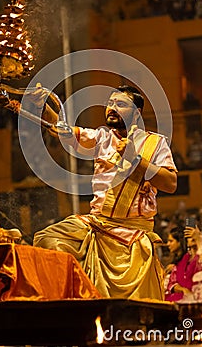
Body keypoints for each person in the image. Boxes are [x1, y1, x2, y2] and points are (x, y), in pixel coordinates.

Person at [31, 84, 177, 300]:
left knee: (132, 309)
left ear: (136, 113)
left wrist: (135, 159)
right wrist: (43, 106)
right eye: (110, 103)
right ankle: (73, 302)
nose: (111, 107)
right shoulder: (101, 137)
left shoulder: (155, 143)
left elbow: (171, 183)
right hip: (96, 226)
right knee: (46, 240)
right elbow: (63, 131)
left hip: (132, 234)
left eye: (120, 104)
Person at [164, 226, 202, 302]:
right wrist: (182, 289)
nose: (168, 244)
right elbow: (172, 283)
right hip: (180, 300)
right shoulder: (184, 259)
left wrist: (199, 240)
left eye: (171, 241)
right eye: (189, 236)